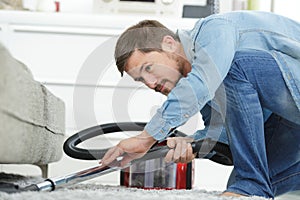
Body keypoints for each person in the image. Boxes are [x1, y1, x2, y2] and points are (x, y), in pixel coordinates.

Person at [100, 10, 300, 198]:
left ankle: (252, 183)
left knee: (235, 67)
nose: (150, 83)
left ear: (169, 44)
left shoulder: (215, 29)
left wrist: (146, 138)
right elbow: (225, 135)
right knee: (239, 187)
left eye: (149, 68)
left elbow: (201, 83)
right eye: (141, 80)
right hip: (288, 119)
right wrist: (192, 144)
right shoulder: (205, 86)